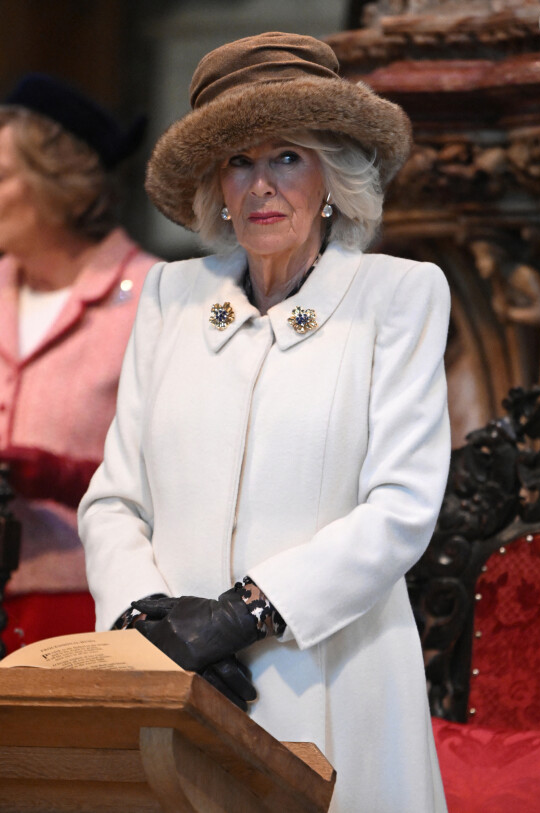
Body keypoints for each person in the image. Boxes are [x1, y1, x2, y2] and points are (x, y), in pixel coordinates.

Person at [79, 33, 451, 812]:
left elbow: (401, 508)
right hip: (173, 684)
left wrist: (240, 614)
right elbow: (115, 501)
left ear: (332, 177)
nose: (261, 185)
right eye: (239, 161)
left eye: (287, 156)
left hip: (331, 680)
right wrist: (154, 622)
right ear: (217, 185)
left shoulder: (399, 295)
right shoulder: (169, 298)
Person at [0, 73, 159, 652]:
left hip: (81, 607)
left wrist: (49, 472)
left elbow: (175, 478)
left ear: (59, 184)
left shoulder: (152, 296)